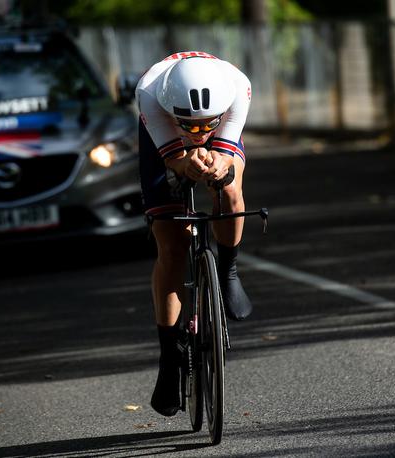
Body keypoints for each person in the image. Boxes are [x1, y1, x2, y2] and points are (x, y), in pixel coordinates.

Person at [135, 51, 252, 417]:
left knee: (229, 188)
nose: (198, 132)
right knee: (173, 243)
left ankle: (228, 269)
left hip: (220, 123)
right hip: (162, 138)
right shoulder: (150, 93)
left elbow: (225, 151)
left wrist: (219, 163)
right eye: (190, 125)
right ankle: (170, 355)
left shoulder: (237, 87)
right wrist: (184, 160)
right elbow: (173, 159)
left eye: (207, 124)